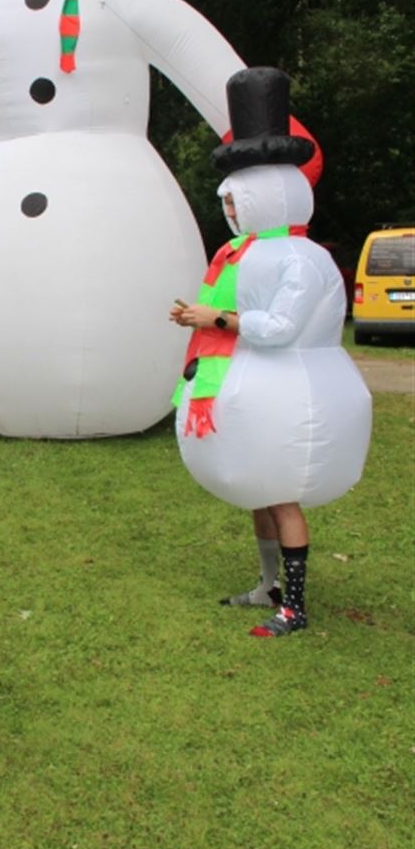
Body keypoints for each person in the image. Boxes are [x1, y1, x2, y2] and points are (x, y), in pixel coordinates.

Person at [169, 69, 371, 639]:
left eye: (237, 201)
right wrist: (203, 319)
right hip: (256, 388)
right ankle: (268, 585)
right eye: (229, 202)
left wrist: (216, 319)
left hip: (293, 395)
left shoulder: (300, 259)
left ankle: (295, 606)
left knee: (282, 497)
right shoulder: (241, 254)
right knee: (261, 496)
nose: (231, 212)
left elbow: (280, 327)